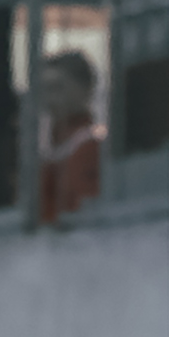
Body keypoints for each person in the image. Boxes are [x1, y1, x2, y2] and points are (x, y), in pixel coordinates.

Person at [38, 51, 105, 223]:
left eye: (58, 88)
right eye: (44, 90)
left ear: (86, 89)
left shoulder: (91, 148)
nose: (49, 99)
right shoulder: (48, 150)